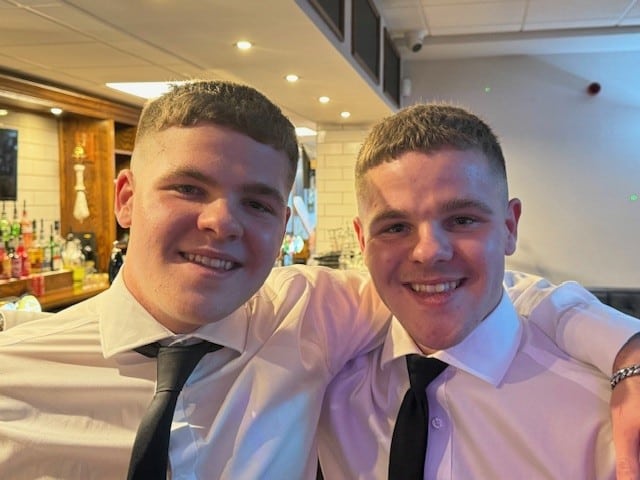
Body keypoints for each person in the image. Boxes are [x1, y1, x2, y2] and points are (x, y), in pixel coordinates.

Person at [0, 82, 637, 479]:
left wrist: (624, 347)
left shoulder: (307, 318)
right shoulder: (14, 374)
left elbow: (482, 292)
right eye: (188, 188)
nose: (221, 222)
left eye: (257, 202)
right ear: (125, 198)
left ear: (283, 223)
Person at [316, 103, 640, 479]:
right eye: (395, 227)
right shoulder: (326, 383)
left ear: (509, 227)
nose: (428, 252)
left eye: (462, 220)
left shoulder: (607, 415)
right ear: (362, 240)